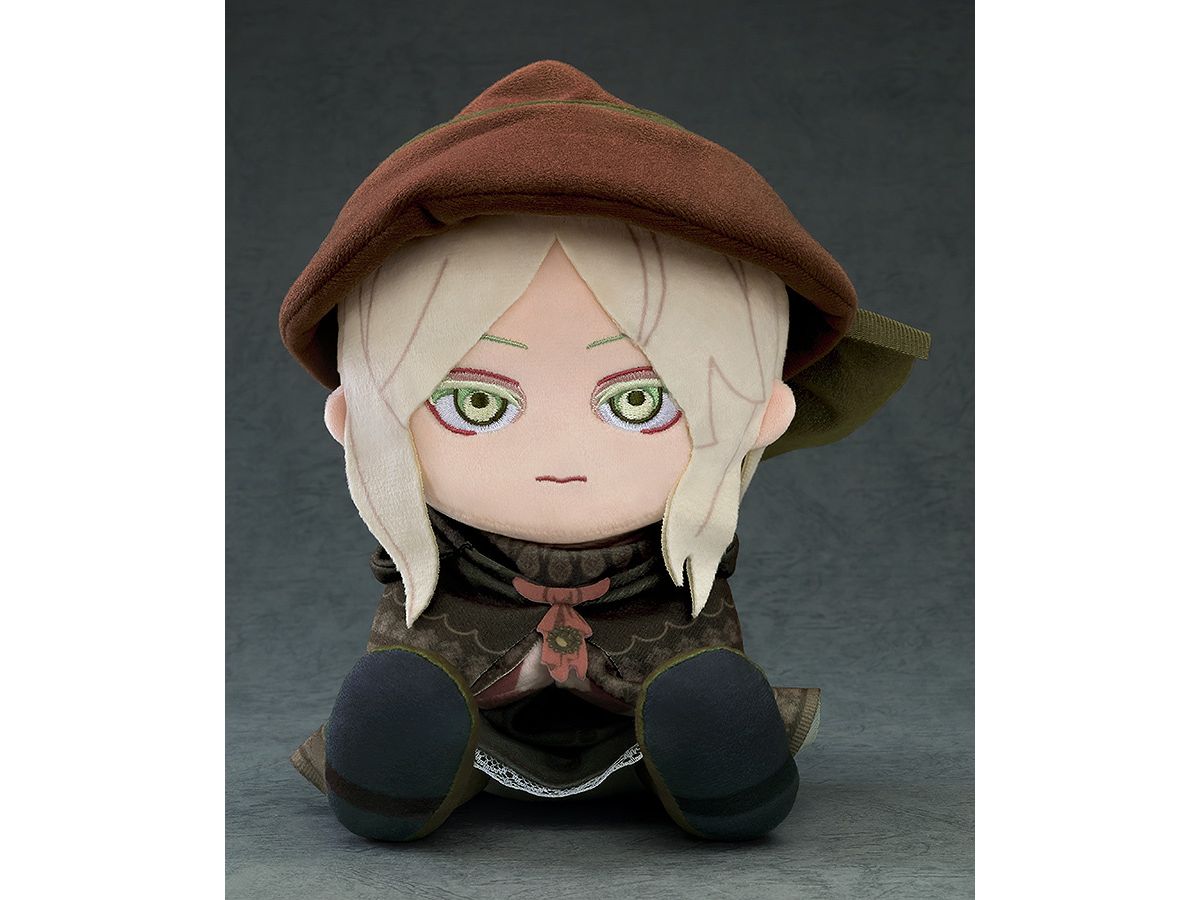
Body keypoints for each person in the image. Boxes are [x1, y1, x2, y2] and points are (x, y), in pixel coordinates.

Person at [280, 61, 929, 842]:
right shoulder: (435, 567)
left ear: (764, 414)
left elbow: (690, 638)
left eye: (638, 401)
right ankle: (398, 777)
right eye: (478, 402)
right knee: (399, 696)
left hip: (654, 731)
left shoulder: (677, 560)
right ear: (353, 417)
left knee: (709, 699)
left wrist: (631, 685)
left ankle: (721, 775)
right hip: (468, 733)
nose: (560, 453)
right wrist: (506, 678)